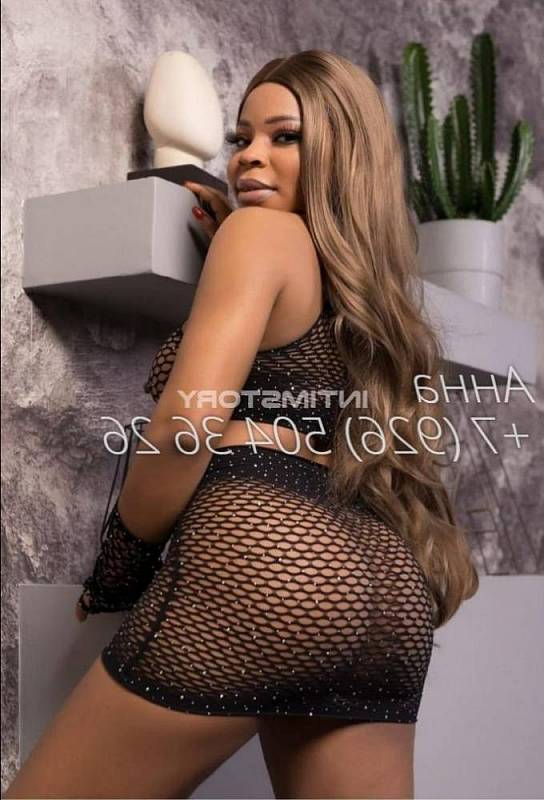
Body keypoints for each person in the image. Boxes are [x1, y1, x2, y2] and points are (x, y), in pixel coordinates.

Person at [5, 49, 478, 800]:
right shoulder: (366, 290)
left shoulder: (259, 238)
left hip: (264, 567)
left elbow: (184, 431)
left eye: (284, 137)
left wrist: (120, 570)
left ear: (342, 155)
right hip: (387, 594)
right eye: (242, 137)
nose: (250, 155)